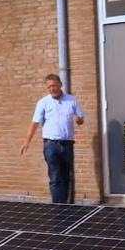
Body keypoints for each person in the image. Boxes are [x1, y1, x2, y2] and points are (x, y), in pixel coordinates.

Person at [20, 74, 84, 203]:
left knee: (67, 176)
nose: (51, 89)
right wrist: (27, 142)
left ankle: (68, 206)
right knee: (55, 177)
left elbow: (80, 119)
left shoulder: (71, 100)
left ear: (60, 85)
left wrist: (79, 120)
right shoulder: (43, 102)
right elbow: (35, 123)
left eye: (54, 85)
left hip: (67, 144)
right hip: (51, 145)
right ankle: (58, 207)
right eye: (49, 87)